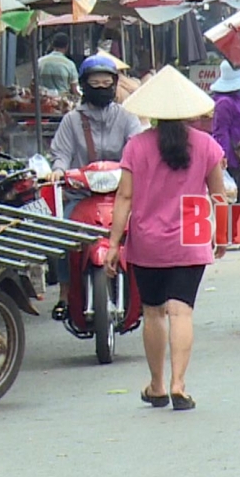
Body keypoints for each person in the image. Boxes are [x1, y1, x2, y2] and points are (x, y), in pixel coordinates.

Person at [105, 66, 229, 412]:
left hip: (147, 243)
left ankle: (157, 385)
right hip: (191, 240)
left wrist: (114, 243)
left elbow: (124, 198)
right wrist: (222, 234)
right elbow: (218, 196)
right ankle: (179, 385)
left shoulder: (136, 147)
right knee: (182, 312)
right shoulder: (207, 146)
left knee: (154, 312)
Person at [49, 54, 145, 320]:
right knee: (60, 232)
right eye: (95, 82)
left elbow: (138, 148)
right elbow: (61, 154)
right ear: (84, 85)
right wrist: (58, 170)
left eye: (106, 82)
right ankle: (64, 293)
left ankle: (147, 291)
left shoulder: (127, 118)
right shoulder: (71, 120)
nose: (101, 87)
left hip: (121, 195)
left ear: (115, 84)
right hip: (81, 196)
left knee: (145, 232)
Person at [208, 62, 240, 205]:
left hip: (236, 158)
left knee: (237, 202)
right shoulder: (224, 103)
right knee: (234, 202)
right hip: (230, 160)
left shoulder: (235, 99)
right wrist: (223, 158)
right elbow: (220, 132)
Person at [38, 33, 80, 97]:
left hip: (43, 102)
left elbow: (33, 84)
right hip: (63, 103)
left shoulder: (40, 62)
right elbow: (74, 89)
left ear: (52, 45)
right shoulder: (70, 64)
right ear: (67, 46)